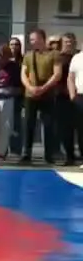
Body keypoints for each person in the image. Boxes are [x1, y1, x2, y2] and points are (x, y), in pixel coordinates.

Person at [20, 29, 62, 165]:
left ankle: (49, 155)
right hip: (30, 95)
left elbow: (57, 74)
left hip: (47, 95)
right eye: (30, 39)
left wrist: (43, 88)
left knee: (48, 125)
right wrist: (30, 88)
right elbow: (23, 74)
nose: (31, 42)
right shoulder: (28, 55)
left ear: (42, 39)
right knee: (28, 124)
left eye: (34, 39)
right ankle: (26, 154)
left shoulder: (54, 54)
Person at [0, 44, 20, 158]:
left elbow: (18, 86)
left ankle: (0, 152)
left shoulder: (14, 67)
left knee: (5, 126)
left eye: (5, 57)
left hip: (7, 98)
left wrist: (13, 91)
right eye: (0, 56)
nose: (2, 59)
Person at [57, 33, 78, 165]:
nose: (69, 44)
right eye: (66, 42)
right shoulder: (58, 57)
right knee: (65, 129)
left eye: (71, 41)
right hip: (62, 97)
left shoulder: (79, 57)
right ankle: (69, 156)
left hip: (78, 95)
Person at [66, 43, 83, 163]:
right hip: (80, 96)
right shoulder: (76, 58)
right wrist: (72, 95)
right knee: (81, 128)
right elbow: (71, 78)